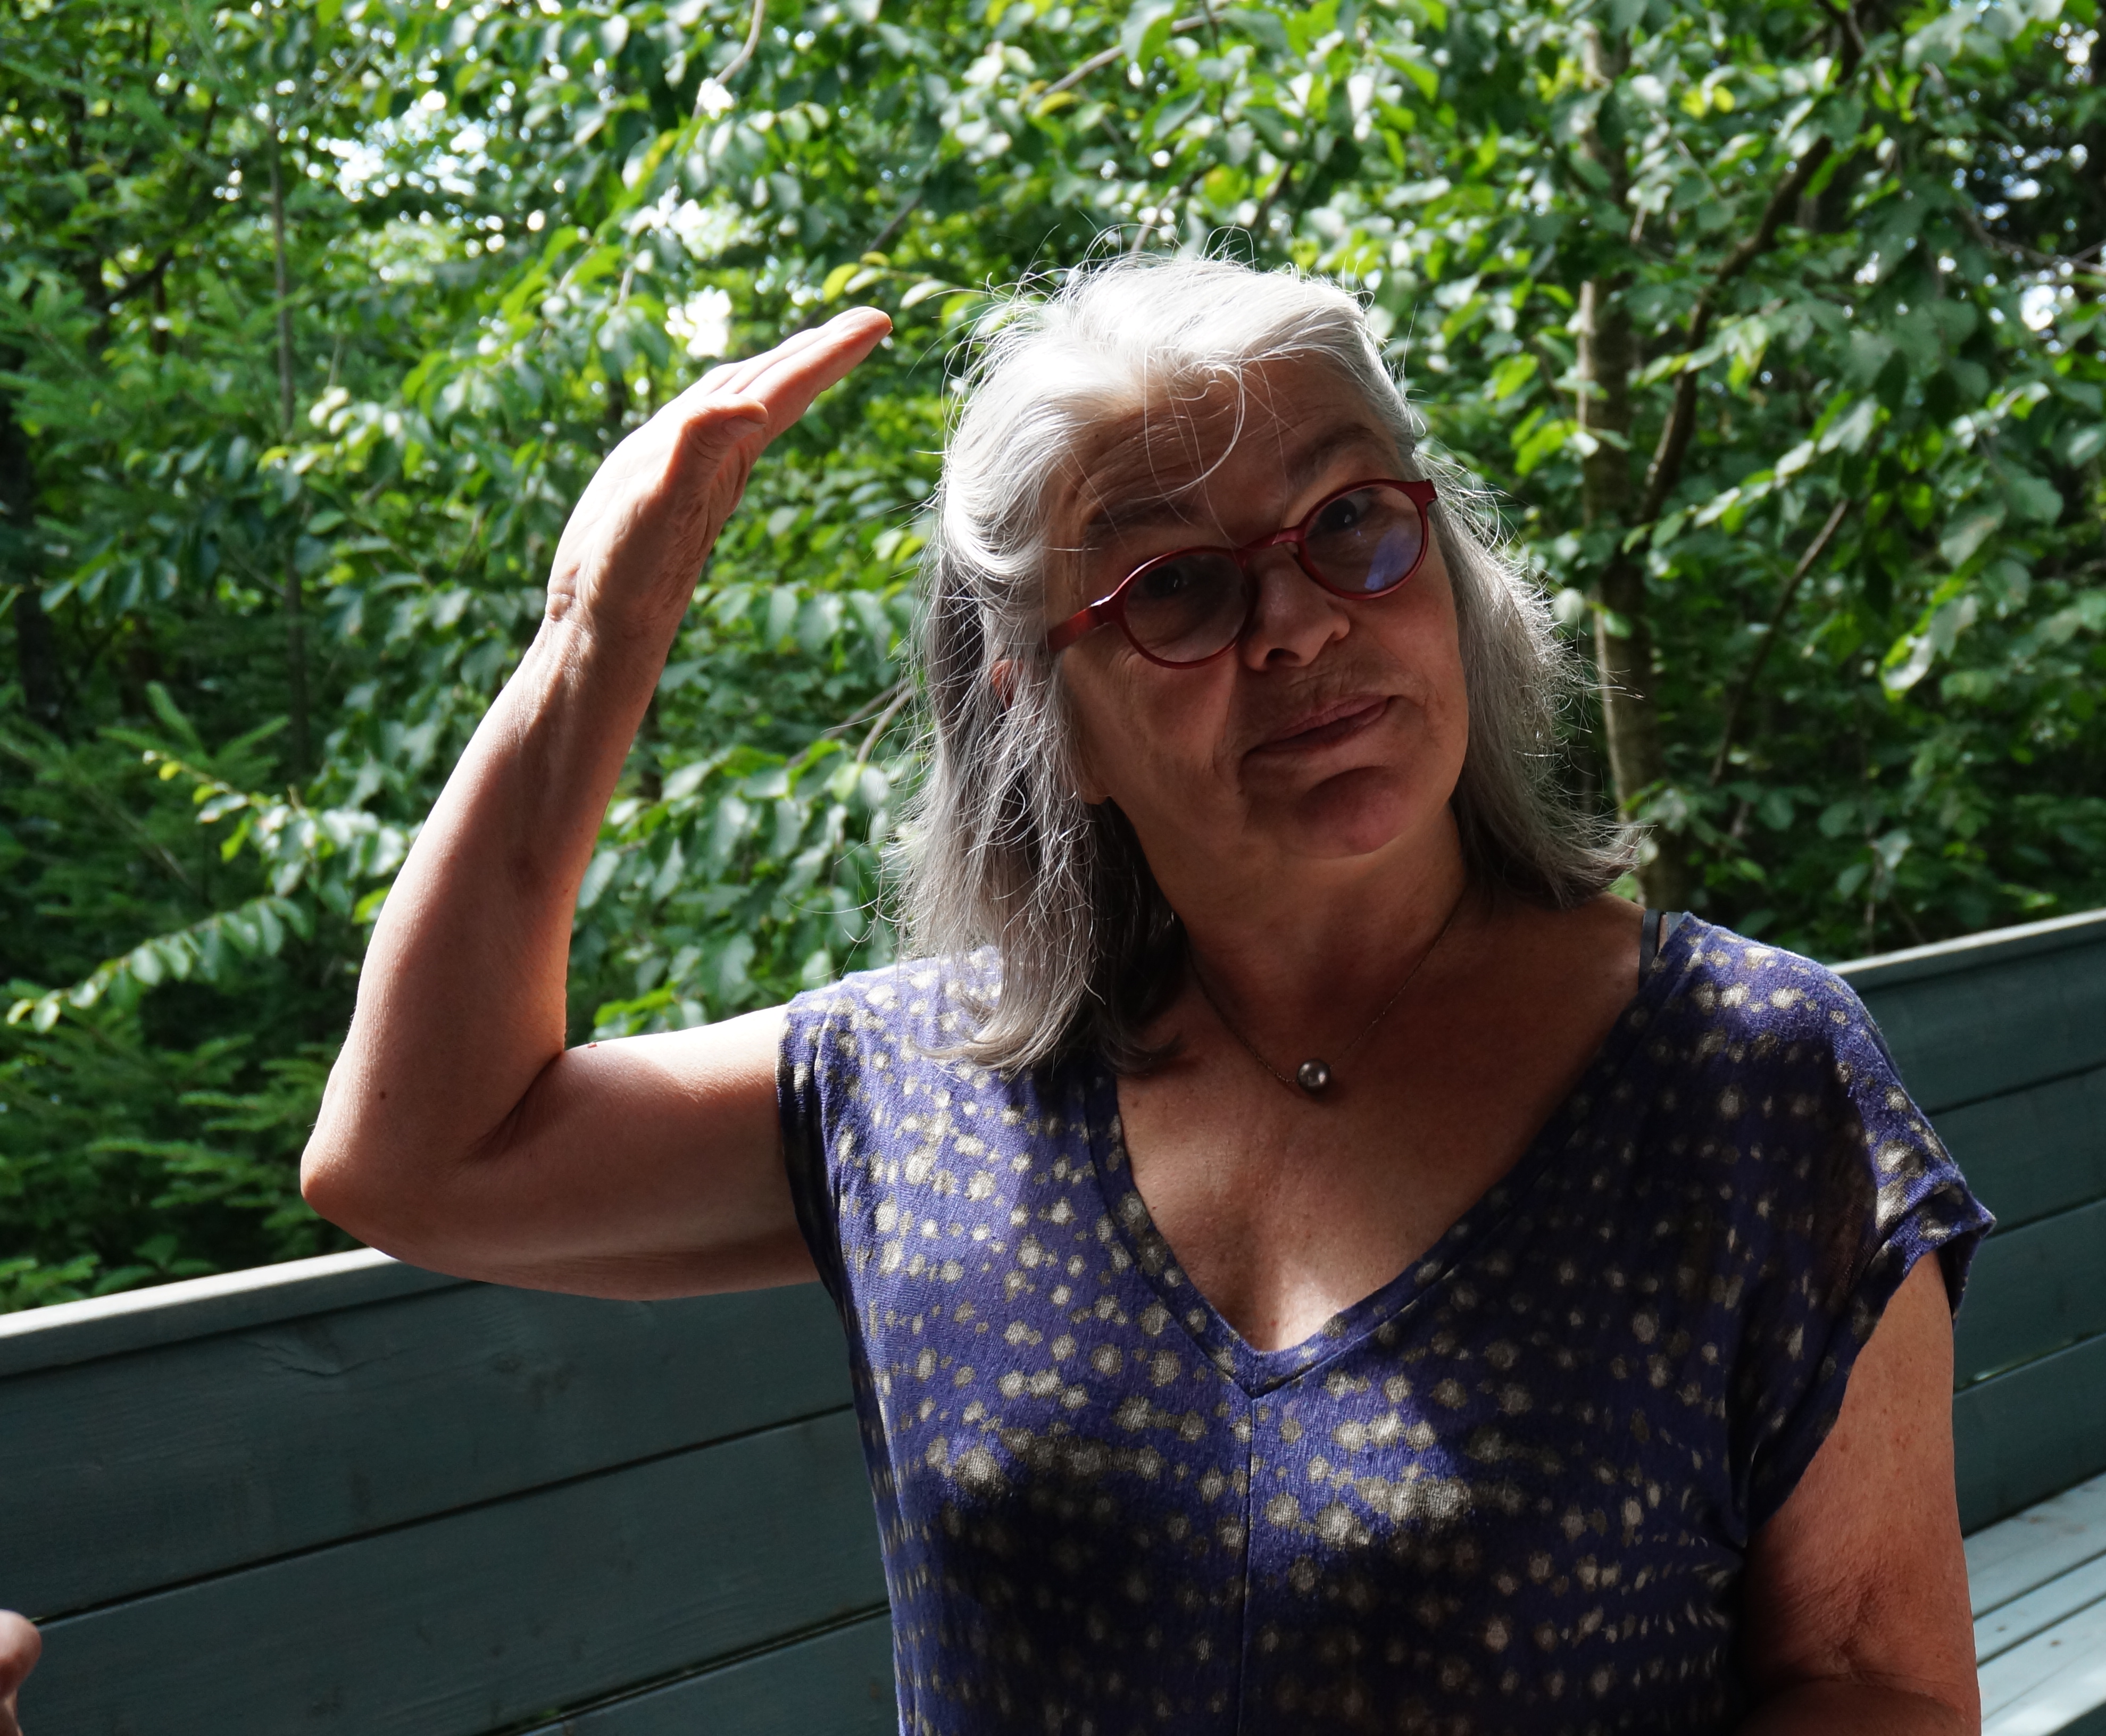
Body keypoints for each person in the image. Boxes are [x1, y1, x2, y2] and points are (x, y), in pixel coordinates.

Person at [269, 257, 1991, 1732]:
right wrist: (596, 630)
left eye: (1351, 524)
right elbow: (419, 1156)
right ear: (1046, 711)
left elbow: (1879, 1686)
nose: (1297, 624)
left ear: (1446, 570)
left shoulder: (1742, 1072)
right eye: (1175, 586)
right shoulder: (920, 1094)